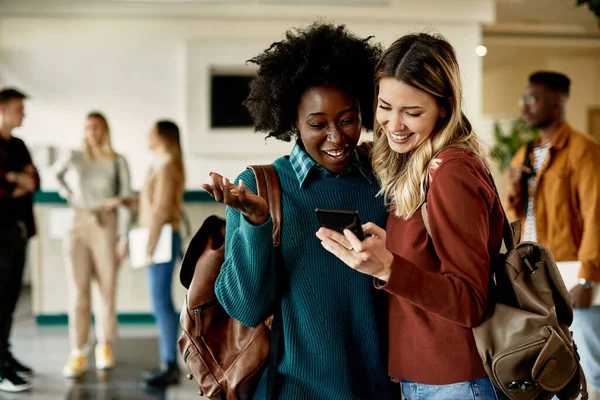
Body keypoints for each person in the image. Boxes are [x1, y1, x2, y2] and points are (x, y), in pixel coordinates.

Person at [202, 22, 398, 400]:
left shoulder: (384, 177)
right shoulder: (262, 186)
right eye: (317, 124)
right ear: (292, 120)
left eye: (348, 119)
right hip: (293, 390)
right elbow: (247, 308)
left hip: (378, 390)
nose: (337, 138)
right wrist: (257, 222)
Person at [317, 33, 510, 399]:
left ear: (446, 108)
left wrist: (388, 268)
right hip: (434, 379)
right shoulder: (413, 163)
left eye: (413, 112)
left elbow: (470, 301)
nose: (394, 124)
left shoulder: (451, 170)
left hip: (456, 383)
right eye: (385, 106)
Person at [506, 71, 600, 392]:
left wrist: (588, 277)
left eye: (532, 99)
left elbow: (595, 215)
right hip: (539, 277)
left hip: (575, 275)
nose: (524, 107)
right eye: (523, 99)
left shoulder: (584, 151)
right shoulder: (525, 153)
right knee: (553, 366)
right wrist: (514, 188)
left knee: (592, 365)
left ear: (556, 104)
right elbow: (516, 220)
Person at [54, 111, 133, 378]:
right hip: (78, 224)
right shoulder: (75, 157)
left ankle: (104, 345)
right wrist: (67, 193)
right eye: (88, 127)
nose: (92, 132)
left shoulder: (117, 160)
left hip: (106, 224)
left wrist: (122, 238)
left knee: (107, 290)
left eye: (97, 127)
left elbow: (126, 196)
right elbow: (56, 175)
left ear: (105, 130)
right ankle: (78, 350)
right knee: (78, 293)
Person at [129, 120, 185, 389]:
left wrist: (149, 247)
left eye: (150, 132)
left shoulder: (166, 167)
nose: (146, 136)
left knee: (161, 304)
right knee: (162, 303)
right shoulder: (164, 164)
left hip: (161, 239)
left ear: (162, 136)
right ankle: (168, 361)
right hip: (161, 237)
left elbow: (161, 211)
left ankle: (170, 365)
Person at [0, 88, 38, 393]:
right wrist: (14, 179)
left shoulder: (21, 145)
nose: (23, 113)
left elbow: (35, 180)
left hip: (19, 231)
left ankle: (5, 355)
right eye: (18, 107)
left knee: (10, 300)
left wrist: (14, 178)